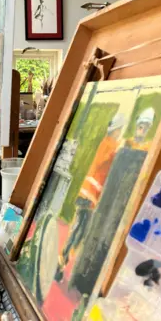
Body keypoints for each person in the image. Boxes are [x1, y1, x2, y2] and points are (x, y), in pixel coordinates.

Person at [55, 113, 126, 282]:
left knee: (79, 233)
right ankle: (60, 265)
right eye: (120, 129)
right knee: (78, 232)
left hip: (90, 197)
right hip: (89, 197)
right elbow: (105, 160)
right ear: (116, 129)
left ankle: (62, 266)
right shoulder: (109, 144)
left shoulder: (108, 143)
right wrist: (119, 150)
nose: (120, 132)